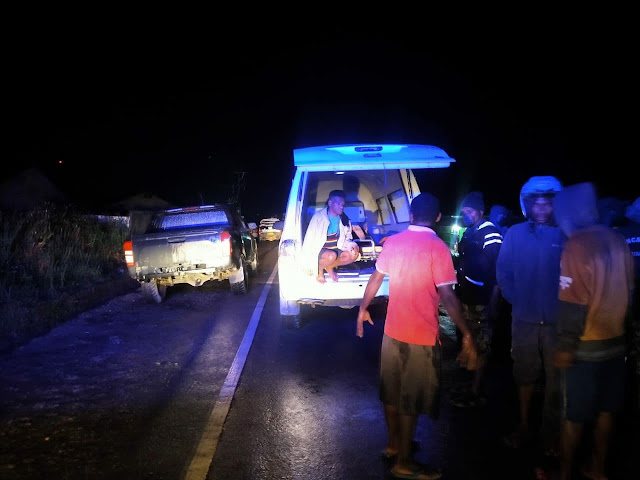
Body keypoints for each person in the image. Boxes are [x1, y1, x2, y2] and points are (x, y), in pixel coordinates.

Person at [357, 192, 478, 480]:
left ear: (410, 215)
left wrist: (362, 309)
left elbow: (375, 278)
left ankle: (393, 444)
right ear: (437, 218)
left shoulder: (394, 243)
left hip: (392, 332)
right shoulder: (438, 248)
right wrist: (467, 334)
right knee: (410, 398)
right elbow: (447, 296)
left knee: (391, 391)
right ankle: (404, 462)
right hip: (421, 336)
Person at [551, 183, 634, 480]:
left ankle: (564, 473)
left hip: (585, 346)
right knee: (607, 411)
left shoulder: (577, 245)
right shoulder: (617, 240)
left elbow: (573, 304)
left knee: (573, 415)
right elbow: (631, 291)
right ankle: (597, 468)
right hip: (617, 342)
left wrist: (565, 346)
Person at [496, 176, 564, 457]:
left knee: (557, 379)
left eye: (547, 203)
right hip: (524, 319)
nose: (541, 208)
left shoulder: (568, 234)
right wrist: (520, 302)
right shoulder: (515, 234)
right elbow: (504, 272)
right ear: (526, 205)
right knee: (523, 374)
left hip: (558, 324)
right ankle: (524, 425)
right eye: (535, 203)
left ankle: (553, 436)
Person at [451, 191, 503, 408]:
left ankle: (476, 391)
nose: (466, 215)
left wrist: (494, 301)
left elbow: (498, 269)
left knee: (481, 344)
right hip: (468, 297)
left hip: (482, 298)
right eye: (464, 212)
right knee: (470, 338)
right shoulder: (469, 232)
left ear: (481, 211)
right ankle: (472, 385)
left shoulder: (490, 233)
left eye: (470, 211)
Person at [301, 190, 359, 283]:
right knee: (331, 256)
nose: (341, 206)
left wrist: (352, 246)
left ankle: (329, 267)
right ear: (330, 203)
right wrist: (306, 259)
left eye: (343, 204)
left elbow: (348, 238)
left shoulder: (344, 219)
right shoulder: (318, 217)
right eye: (338, 203)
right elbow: (310, 238)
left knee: (353, 255)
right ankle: (319, 270)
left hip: (337, 248)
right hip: (321, 250)